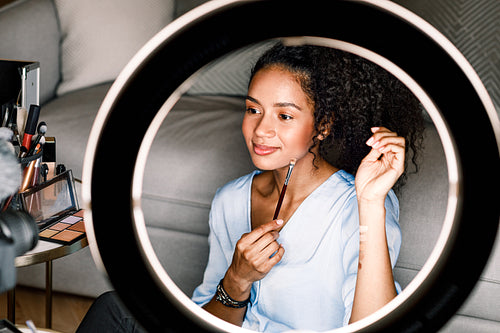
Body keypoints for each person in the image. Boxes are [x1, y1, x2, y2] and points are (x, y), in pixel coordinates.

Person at [76, 42, 424, 332]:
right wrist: (236, 281)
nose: (260, 130)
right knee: (115, 307)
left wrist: (371, 202)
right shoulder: (231, 199)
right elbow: (208, 320)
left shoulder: (359, 204)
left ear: (322, 125)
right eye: (253, 109)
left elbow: (373, 324)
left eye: (284, 115)